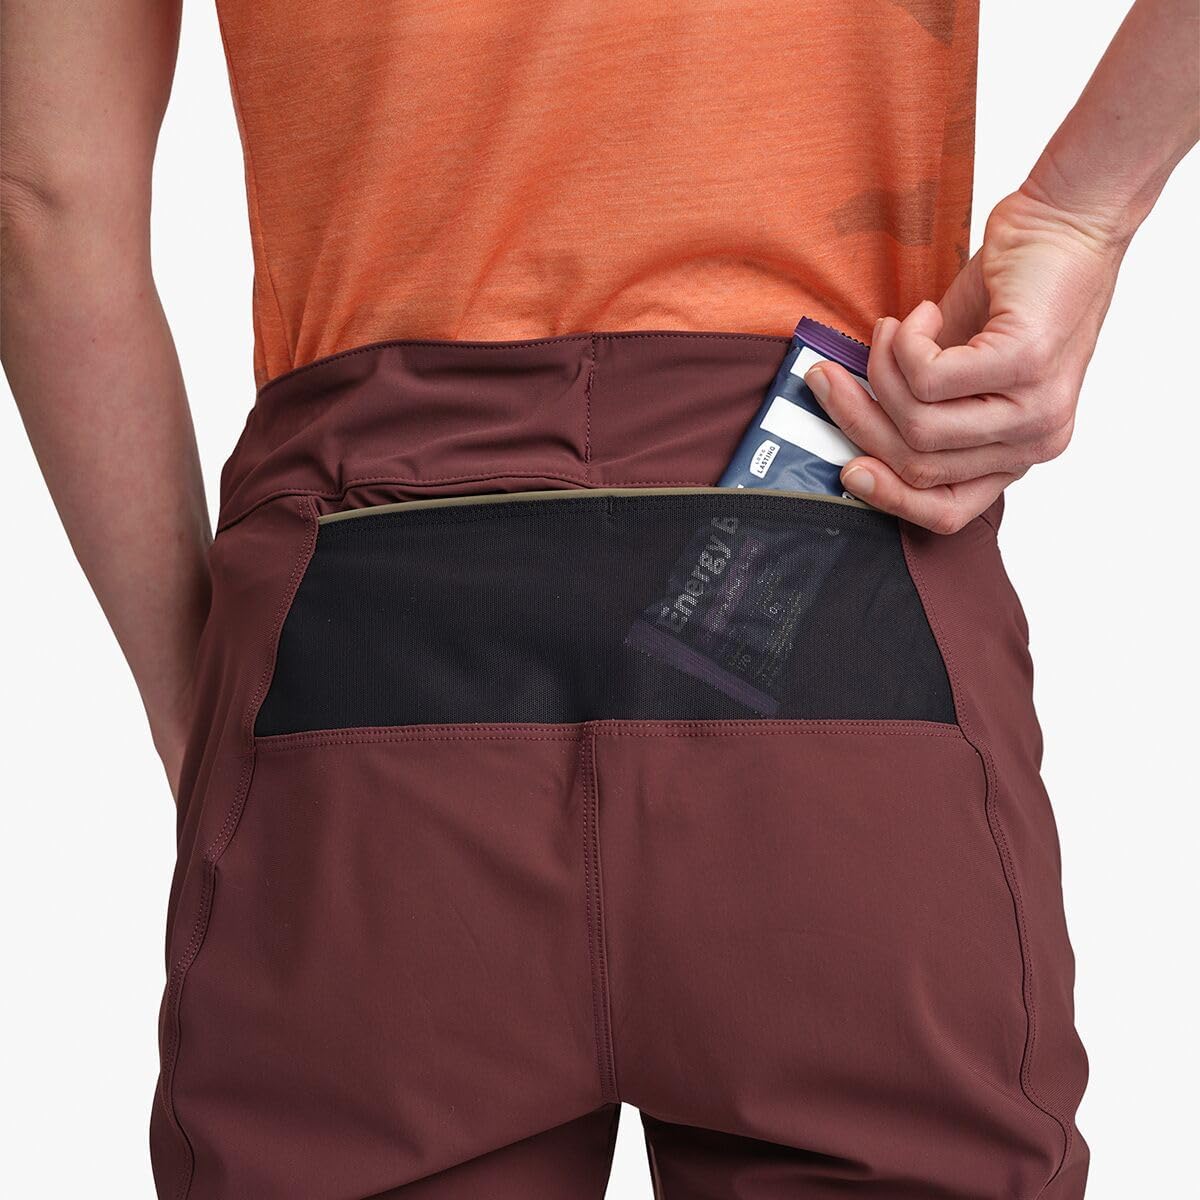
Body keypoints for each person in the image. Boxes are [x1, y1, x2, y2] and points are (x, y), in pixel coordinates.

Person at [2, 0, 1195, 1196]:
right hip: (833, 562)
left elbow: (43, 203)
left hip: (363, 615)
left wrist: (206, 705)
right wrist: (1078, 218)